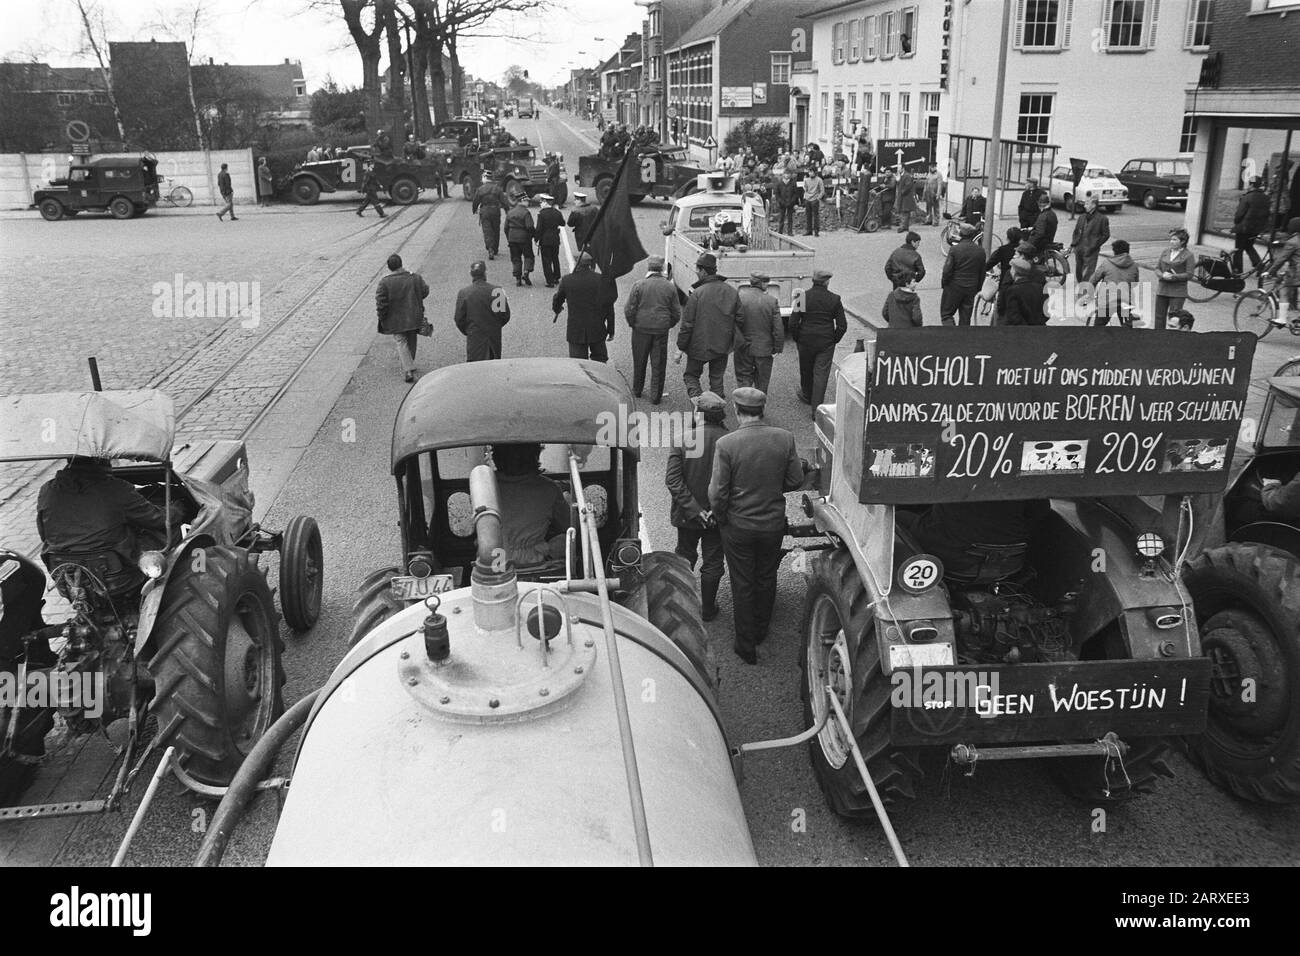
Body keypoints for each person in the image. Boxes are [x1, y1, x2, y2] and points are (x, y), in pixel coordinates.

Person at [707, 387, 805, 663]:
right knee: (766, 576)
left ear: (737, 411)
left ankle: (745, 643)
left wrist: (722, 516)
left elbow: (717, 493)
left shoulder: (727, 444)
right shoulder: (784, 438)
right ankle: (762, 629)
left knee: (742, 582)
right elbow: (795, 480)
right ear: (763, 410)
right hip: (772, 524)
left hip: (738, 525)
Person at [37, 457, 175, 583]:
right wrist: (177, 509)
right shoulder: (116, 488)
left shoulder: (47, 490)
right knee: (169, 533)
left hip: (66, 575)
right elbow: (158, 519)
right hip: (116, 574)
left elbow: (44, 534)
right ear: (100, 461)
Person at [665, 391, 729, 621]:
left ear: (699, 415)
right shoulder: (731, 441)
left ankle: (680, 604)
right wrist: (714, 510)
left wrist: (695, 510)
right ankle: (707, 609)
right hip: (718, 516)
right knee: (713, 562)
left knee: (684, 556)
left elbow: (673, 481)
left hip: (687, 516)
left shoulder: (682, 440)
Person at [900, 499, 1051, 582]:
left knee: (899, 517)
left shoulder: (953, 458)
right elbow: (1040, 512)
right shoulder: (1024, 469)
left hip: (951, 560)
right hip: (1010, 562)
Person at [491, 443, 570, 568]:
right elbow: (568, 525)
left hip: (492, 561)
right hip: (533, 562)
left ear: (496, 457)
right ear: (535, 455)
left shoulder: (485, 487)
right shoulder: (549, 488)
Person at [677, 252, 743, 399]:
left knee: (691, 376)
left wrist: (681, 347)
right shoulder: (731, 291)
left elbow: (687, 324)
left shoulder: (697, 293)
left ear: (703, 271)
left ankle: (700, 409)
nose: (696, 272)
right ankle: (716, 413)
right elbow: (740, 318)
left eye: (697, 269)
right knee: (717, 380)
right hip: (722, 346)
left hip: (698, 346)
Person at [789, 269, 847, 413]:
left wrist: (797, 337)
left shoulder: (802, 297)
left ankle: (807, 394)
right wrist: (834, 339)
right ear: (827, 282)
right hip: (825, 341)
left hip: (805, 339)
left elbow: (793, 322)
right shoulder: (834, 299)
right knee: (821, 373)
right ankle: (817, 409)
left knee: (806, 369)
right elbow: (842, 325)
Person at [625, 256, 681, 403]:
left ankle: (637, 390)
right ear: (662, 269)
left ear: (648, 267)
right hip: (660, 330)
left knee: (639, 361)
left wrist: (634, 324)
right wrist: (667, 324)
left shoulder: (639, 285)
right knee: (658, 364)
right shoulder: (669, 286)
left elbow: (629, 309)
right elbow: (676, 312)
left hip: (641, 329)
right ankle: (656, 397)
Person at [376, 253, 430, 382]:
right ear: (401, 264)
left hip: (395, 319)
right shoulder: (415, 278)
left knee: (401, 341)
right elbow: (425, 291)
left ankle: (408, 369)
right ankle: (410, 364)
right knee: (412, 340)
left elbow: (381, 302)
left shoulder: (385, 282)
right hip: (413, 316)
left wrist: (382, 317)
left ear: (389, 267)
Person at [553, 251, 614, 361]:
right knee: (600, 362)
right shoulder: (601, 280)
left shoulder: (567, 280)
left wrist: (557, 308)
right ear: (590, 264)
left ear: (577, 262)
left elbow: (558, 299)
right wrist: (611, 329)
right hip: (597, 328)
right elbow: (609, 306)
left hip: (576, 330)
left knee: (579, 364)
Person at [734, 272, 784, 394]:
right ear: (763, 284)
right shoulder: (772, 301)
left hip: (743, 347)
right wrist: (777, 348)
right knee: (762, 382)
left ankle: (744, 408)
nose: (767, 285)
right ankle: (758, 408)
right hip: (764, 348)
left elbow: (733, 322)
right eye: (766, 282)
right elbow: (778, 328)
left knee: (744, 379)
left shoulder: (739, 298)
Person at [454, 259, 510, 361]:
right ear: (485, 273)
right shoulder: (497, 291)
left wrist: (469, 330)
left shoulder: (464, 293)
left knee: (475, 369)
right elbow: (505, 316)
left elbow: (459, 319)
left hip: (475, 337)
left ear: (471, 274)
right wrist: (495, 326)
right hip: (493, 337)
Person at [940, 223, 987, 326]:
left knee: (946, 314)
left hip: (954, 286)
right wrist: (978, 287)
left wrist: (944, 283)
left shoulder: (955, 249)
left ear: (961, 234)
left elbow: (947, 270)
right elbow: (982, 272)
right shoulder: (980, 251)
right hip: (971, 287)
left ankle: (951, 335)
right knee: (965, 317)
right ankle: (963, 338)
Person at [1089, 239, 1140, 327]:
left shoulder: (1107, 263)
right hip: (1125, 301)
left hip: (1107, 301)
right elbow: (1135, 283)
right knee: (1126, 325)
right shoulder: (1134, 265)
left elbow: (1093, 280)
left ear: (1114, 251)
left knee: (1098, 327)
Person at [1153, 227, 1193, 330]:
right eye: (1171, 239)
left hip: (1177, 291)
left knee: (1175, 319)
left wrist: (1174, 276)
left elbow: (1189, 274)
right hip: (1162, 289)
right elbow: (1157, 268)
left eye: (1175, 240)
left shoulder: (1188, 255)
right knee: (1159, 317)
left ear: (1183, 242)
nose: (1171, 242)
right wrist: (1162, 275)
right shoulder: (1166, 251)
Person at [1266, 216, 1300, 329]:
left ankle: (1282, 319)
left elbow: (1281, 259)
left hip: (1297, 273)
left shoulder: (1293, 242)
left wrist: (1270, 271)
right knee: (1294, 294)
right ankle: (1296, 317)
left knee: (1284, 290)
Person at [1233, 178, 1271, 274]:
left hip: (1244, 227)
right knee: (1249, 246)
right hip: (1256, 228)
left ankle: (1237, 270)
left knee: (1238, 249)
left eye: (1249, 184)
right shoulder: (1265, 197)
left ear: (1252, 185)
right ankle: (1259, 266)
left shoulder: (1247, 197)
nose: (1248, 186)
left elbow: (1239, 214)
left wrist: (1236, 222)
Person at [985, 227, 1023, 322]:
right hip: (1021, 283)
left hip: (1006, 284)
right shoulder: (1024, 250)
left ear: (1008, 238)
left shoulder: (1003, 250)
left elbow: (990, 263)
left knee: (1001, 309)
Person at [1002, 250, 1049, 326]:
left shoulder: (1013, 291)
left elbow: (1013, 316)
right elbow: (1047, 310)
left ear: (1014, 272)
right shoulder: (1039, 287)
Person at [1069, 197, 1111, 282]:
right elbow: (1076, 231)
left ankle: (1085, 289)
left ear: (1094, 205)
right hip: (1079, 248)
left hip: (1091, 250)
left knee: (1089, 272)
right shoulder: (1082, 217)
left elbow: (1106, 235)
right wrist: (1074, 244)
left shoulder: (1102, 219)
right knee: (1078, 270)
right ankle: (1081, 284)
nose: (1084, 206)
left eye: (1087, 204)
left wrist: (1095, 244)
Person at [471, 176, 506, 258]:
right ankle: (495, 248)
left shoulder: (480, 189)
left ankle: (490, 248)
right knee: (495, 230)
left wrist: (474, 209)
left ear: (485, 179)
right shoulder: (498, 188)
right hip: (495, 211)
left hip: (485, 211)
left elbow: (475, 201)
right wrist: (508, 211)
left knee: (487, 231)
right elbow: (503, 201)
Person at [534, 194, 565, 287]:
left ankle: (550, 280)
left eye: (541, 202)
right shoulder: (557, 212)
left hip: (545, 240)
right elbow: (562, 223)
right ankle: (556, 276)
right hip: (555, 239)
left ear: (545, 202)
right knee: (555, 258)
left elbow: (539, 228)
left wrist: (536, 239)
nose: (540, 204)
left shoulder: (541, 214)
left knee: (546, 260)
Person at [504, 200, 537, 287]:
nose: (528, 203)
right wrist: (534, 235)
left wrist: (509, 239)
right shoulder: (526, 213)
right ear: (522, 201)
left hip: (512, 238)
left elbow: (505, 228)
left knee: (515, 258)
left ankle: (518, 278)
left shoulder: (510, 212)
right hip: (524, 238)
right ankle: (526, 271)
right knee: (528, 256)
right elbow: (530, 226)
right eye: (527, 201)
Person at [773, 169, 799, 235]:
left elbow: (795, 193)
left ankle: (789, 232)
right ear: (783, 174)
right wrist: (780, 201)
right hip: (782, 203)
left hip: (790, 203)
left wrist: (792, 201)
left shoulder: (793, 183)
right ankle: (780, 231)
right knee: (781, 218)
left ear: (790, 175)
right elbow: (777, 194)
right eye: (785, 174)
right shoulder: (779, 183)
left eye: (788, 174)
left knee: (790, 218)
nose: (787, 175)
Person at [801, 166, 824, 237]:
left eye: (811, 172)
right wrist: (805, 197)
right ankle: (809, 230)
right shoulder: (806, 180)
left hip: (815, 200)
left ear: (815, 172)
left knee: (815, 216)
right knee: (808, 216)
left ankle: (816, 231)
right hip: (808, 199)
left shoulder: (819, 180)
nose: (810, 173)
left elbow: (822, 191)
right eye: (809, 172)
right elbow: (805, 189)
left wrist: (818, 198)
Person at [895, 165, 919, 233]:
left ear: (903, 168)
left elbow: (908, 186)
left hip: (906, 197)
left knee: (904, 211)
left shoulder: (907, 176)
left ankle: (903, 227)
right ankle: (905, 226)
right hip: (903, 196)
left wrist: (902, 192)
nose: (898, 170)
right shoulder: (901, 176)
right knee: (904, 211)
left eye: (899, 168)